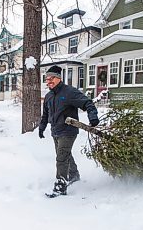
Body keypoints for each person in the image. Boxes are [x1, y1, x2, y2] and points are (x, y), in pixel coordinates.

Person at [39, 65, 99, 198]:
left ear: (59, 78)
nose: (48, 81)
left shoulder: (69, 92)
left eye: (51, 78)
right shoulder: (49, 96)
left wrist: (93, 117)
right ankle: (73, 175)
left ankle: (60, 186)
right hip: (55, 130)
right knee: (65, 155)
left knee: (61, 157)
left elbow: (87, 103)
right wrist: (42, 127)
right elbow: (45, 114)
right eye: (46, 79)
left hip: (68, 131)